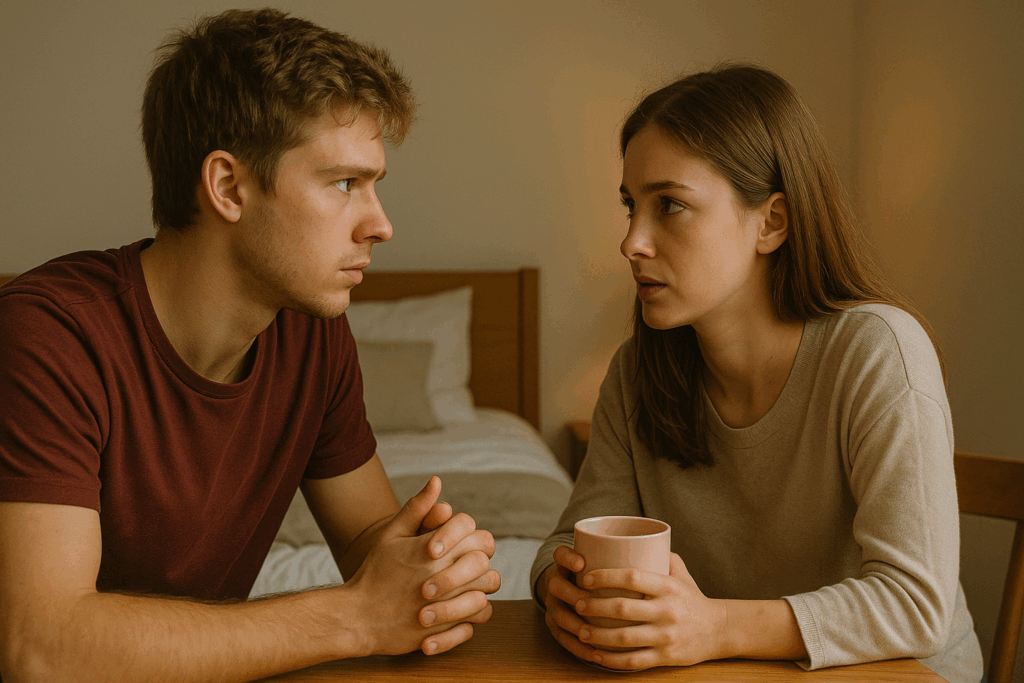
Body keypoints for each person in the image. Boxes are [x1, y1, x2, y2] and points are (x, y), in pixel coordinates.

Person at [0, 9, 499, 682]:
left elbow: (364, 543)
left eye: (375, 185)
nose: (380, 224)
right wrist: (355, 615)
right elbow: (44, 648)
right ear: (228, 186)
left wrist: (432, 566)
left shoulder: (314, 336)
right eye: (345, 183)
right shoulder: (48, 336)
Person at [531, 64, 984, 683]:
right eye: (630, 206)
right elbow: (567, 541)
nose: (632, 241)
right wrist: (559, 588)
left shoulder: (877, 351)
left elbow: (915, 604)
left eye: (669, 205)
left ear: (771, 222)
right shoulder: (637, 373)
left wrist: (712, 626)